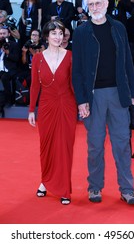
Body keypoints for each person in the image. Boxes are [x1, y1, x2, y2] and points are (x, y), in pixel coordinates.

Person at [72, 0, 134, 205]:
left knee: (122, 142)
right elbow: (78, 71)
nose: (94, 8)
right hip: (93, 98)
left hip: (119, 94)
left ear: (106, 4)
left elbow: (128, 62)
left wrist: (132, 94)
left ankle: (127, 189)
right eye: (90, 4)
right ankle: (94, 187)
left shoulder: (118, 28)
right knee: (95, 144)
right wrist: (81, 100)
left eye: (98, 3)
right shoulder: (81, 32)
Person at [28, 20, 77, 205]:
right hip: (47, 106)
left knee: (64, 147)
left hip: (66, 105)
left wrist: (83, 103)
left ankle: (64, 188)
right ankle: (45, 181)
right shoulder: (38, 58)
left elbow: (75, 84)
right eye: (54, 33)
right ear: (46, 36)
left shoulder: (71, 56)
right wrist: (32, 109)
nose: (58, 37)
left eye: (61, 33)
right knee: (46, 147)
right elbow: (34, 86)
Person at [0, 26, 20, 107]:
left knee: (5, 77)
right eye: (0, 34)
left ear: (8, 34)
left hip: (9, 69)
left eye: (4, 33)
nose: (2, 35)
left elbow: (16, 59)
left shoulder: (14, 44)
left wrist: (8, 53)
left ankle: (9, 100)